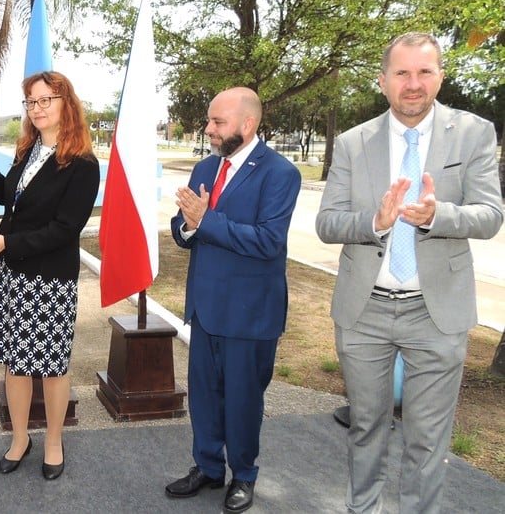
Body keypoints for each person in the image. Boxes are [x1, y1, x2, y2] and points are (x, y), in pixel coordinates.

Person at [315, 32, 503, 514]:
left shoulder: (475, 133)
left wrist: (440, 215)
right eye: (402, 73)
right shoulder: (354, 143)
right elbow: (327, 222)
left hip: (437, 314)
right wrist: (374, 223)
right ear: (383, 81)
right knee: (366, 430)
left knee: (427, 441)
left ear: (441, 76)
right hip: (364, 312)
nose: (413, 83)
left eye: (424, 72)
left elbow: (489, 214)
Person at [167, 87, 301, 513]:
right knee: (204, 396)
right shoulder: (205, 167)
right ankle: (208, 467)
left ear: (247, 125)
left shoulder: (280, 174)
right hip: (205, 308)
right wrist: (189, 226)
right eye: (209, 121)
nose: (208, 129)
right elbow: (182, 229)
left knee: (243, 401)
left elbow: (267, 241)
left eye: (217, 122)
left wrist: (206, 220)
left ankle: (244, 474)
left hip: (249, 314)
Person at [0, 71, 100, 481]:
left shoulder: (83, 164)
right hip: (14, 275)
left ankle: (54, 442)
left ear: (67, 103)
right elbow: (20, 200)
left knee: (52, 367)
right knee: (17, 364)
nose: (38, 108)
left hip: (49, 279)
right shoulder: (28, 150)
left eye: (46, 99)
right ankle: (20, 438)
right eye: (31, 102)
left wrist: (9, 244)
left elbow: (64, 228)